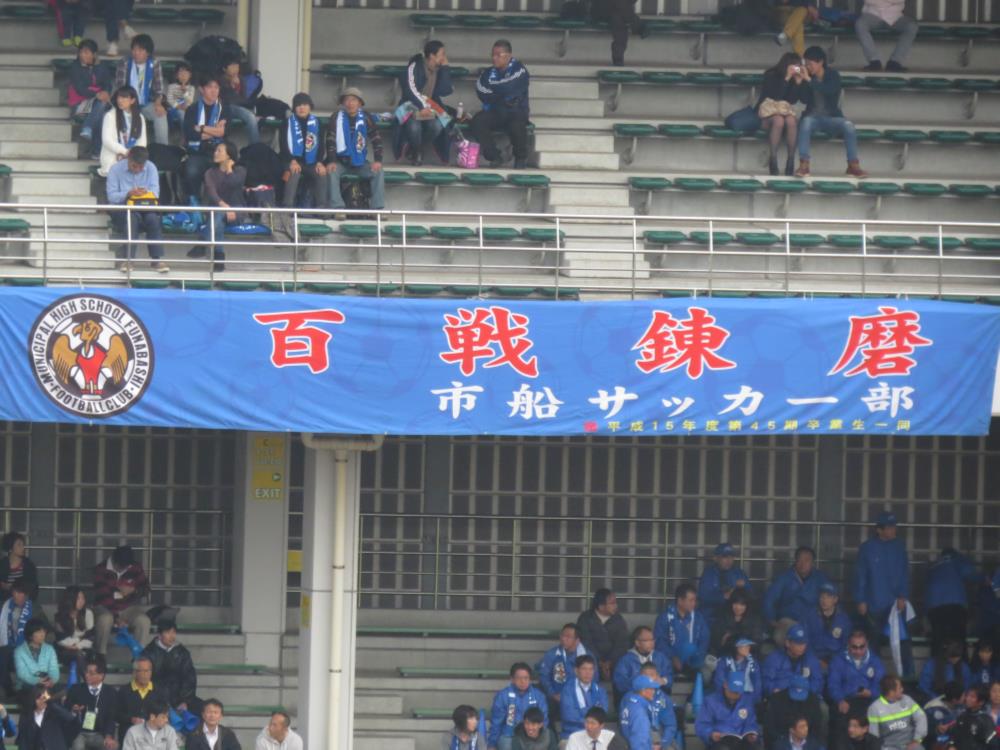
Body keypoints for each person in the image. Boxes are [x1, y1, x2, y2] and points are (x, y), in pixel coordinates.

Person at [795, 46, 868, 179]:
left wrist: (810, 81)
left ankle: (853, 165)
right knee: (805, 122)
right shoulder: (808, 77)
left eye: (811, 64)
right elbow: (803, 99)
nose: (808, 67)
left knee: (849, 126)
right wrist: (800, 83)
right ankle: (804, 164)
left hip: (831, 117)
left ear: (821, 62)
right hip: (813, 117)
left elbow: (829, 90)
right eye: (807, 64)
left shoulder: (833, 75)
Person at [854, 512, 911, 674]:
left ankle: (907, 678)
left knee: (903, 641)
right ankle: (874, 676)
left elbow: (904, 573)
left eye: (894, 527)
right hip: (873, 603)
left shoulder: (899, 546)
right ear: (879, 530)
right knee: (873, 641)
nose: (893, 530)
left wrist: (903, 596)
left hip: (894, 604)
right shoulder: (867, 548)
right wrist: (860, 600)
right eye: (889, 527)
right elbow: (860, 575)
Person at [106, 146, 167, 272]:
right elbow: (112, 197)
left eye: (141, 167)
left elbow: (155, 193)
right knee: (132, 218)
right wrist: (128, 194)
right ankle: (128, 260)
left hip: (146, 206)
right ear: (128, 159)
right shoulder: (115, 169)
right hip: (123, 208)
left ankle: (156, 260)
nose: (137, 170)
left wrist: (141, 194)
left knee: (153, 218)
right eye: (134, 166)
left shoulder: (151, 168)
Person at [471, 39, 530, 169]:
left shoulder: (519, 70)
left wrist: (494, 91)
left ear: (508, 56)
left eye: (498, 55)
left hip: (515, 111)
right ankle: (494, 156)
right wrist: (502, 95)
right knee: (478, 121)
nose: (494, 58)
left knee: (517, 126)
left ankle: (520, 158)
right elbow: (481, 90)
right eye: (493, 55)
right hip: (496, 111)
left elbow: (512, 88)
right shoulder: (488, 73)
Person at [395, 40, 454, 166]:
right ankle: (417, 153)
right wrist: (421, 107)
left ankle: (417, 149)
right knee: (414, 127)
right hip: (410, 105)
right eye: (442, 54)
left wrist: (445, 69)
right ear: (432, 56)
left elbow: (445, 91)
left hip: (430, 106)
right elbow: (410, 90)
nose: (444, 57)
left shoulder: (439, 69)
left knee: (437, 126)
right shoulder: (415, 66)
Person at [190, 140, 246, 272]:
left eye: (219, 151)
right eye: (215, 150)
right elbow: (212, 193)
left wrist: (229, 170)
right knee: (218, 219)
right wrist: (225, 207)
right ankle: (219, 258)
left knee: (217, 215)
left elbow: (235, 183)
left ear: (229, 155)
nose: (215, 153)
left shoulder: (240, 170)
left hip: (236, 211)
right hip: (216, 211)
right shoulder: (210, 172)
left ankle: (203, 243)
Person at [325, 88, 385, 212]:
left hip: (360, 162)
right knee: (331, 171)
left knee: (378, 171)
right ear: (343, 103)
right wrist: (331, 161)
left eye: (353, 100)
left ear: (359, 103)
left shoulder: (366, 117)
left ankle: (377, 209)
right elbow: (330, 139)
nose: (350, 103)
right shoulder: (336, 117)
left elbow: (376, 138)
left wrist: (378, 160)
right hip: (341, 161)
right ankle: (337, 208)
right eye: (347, 100)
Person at [828, 631, 886, 750]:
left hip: (869, 700)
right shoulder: (838, 660)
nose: (858, 651)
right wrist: (840, 700)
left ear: (867, 644)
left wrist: (871, 692)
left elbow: (881, 685)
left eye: (861, 647)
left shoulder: (875, 661)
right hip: (847, 701)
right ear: (848, 645)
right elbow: (833, 685)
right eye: (854, 647)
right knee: (839, 722)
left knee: (877, 718)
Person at [764, 547, 831, 646]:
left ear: (812, 563)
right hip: (788, 621)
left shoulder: (820, 578)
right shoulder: (784, 577)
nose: (802, 564)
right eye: (799, 560)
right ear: (795, 561)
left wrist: (829, 617)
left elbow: (831, 598)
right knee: (785, 639)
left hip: (813, 620)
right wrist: (772, 621)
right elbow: (769, 600)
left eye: (807, 560)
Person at [755, 53, 808, 176]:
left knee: (791, 121)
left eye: (798, 66)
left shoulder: (795, 79)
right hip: (767, 114)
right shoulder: (771, 75)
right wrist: (786, 78)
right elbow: (775, 97)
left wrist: (798, 84)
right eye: (794, 66)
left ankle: (790, 160)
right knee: (779, 120)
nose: (796, 69)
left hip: (784, 113)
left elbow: (793, 100)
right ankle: (773, 159)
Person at [94, 545, 150, 657]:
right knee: (105, 619)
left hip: (127, 607)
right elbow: (104, 598)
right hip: (105, 607)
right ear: (114, 561)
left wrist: (133, 590)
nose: (124, 568)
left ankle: (138, 658)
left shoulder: (135, 567)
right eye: (121, 566)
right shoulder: (101, 570)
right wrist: (117, 618)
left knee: (144, 621)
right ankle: (100, 656)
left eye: (126, 566)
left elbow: (146, 589)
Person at [926, 550, 984, 658]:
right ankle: (960, 665)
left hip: (935, 608)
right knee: (958, 639)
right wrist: (986, 579)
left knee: (938, 641)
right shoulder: (957, 561)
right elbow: (972, 574)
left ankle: (937, 666)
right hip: (955, 606)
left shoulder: (934, 566)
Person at [113, 34, 167, 145]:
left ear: (148, 52)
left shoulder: (154, 63)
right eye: (134, 49)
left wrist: (158, 104)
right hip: (128, 102)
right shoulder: (125, 62)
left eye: (140, 50)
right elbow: (120, 88)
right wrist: (128, 104)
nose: (136, 53)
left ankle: (162, 148)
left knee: (160, 114)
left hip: (147, 103)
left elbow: (159, 89)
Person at [182, 77, 229, 200]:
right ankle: (194, 203)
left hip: (217, 151)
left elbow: (223, 133)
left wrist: (202, 128)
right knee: (191, 171)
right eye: (210, 87)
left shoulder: (223, 109)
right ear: (202, 89)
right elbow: (190, 134)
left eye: (216, 87)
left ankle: (218, 204)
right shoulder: (192, 109)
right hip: (196, 152)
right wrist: (214, 131)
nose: (214, 91)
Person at [141, 619, 199, 715]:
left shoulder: (182, 652)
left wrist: (185, 700)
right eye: (168, 632)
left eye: (174, 632)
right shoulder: (149, 652)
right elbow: (143, 678)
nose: (172, 636)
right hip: (154, 699)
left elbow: (189, 677)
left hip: (178, 698)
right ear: (159, 635)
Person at [280, 93, 328, 209]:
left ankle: (322, 208)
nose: (302, 107)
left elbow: (321, 146)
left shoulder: (317, 122)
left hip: (311, 162)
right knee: (294, 172)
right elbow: (283, 145)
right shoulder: (287, 122)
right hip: (290, 160)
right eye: (298, 105)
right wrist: (292, 161)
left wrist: (319, 162)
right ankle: (287, 207)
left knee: (321, 173)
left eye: (305, 104)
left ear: (310, 106)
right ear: (294, 108)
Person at [67, 40, 113, 160]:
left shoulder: (101, 67)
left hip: (97, 104)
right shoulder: (75, 67)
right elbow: (80, 89)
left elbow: (107, 84)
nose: (83, 55)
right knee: (101, 110)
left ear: (94, 54)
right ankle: (96, 151)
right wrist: (96, 94)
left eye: (86, 52)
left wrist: (105, 93)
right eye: (81, 52)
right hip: (80, 104)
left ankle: (87, 127)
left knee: (102, 110)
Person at [654, 583, 710, 677]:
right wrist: (672, 657)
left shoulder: (698, 617)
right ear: (680, 601)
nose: (694, 604)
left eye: (695, 600)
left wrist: (698, 655)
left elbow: (704, 639)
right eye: (691, 600)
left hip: (693, 661)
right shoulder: (665, 617)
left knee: (706, 674)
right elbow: (660, 641)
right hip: (670, 661)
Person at [695, 672, 762, 750]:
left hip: (742, 742)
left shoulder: (747, 701)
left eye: (738, 692)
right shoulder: (710, 701)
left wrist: (751, 733)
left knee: (756, 747)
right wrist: (711, 734)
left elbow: (751, 723)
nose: (735, 694)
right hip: (720, 742)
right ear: (725, 685)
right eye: (733, 691)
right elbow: (702, 725)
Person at [64, 654, 119, 750]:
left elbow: (111, 717)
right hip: (79, 733)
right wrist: (73, 709)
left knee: (112, 747)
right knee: (78, 747)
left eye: (91, 673)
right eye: (86, 672)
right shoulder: (75, 689)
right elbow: (66, 707)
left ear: (101, 675)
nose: (87, 675)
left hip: (100, 733)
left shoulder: (110, 692)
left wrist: (108, 736)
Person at [489, 663, 548, 750]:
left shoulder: (538, 696)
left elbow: (544, 720)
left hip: (532, 736)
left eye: (526, 678)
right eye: (519, 678)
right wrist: (492, 744)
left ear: (530, 679)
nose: (523, 681)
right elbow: (496, 723)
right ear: (512, 679)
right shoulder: (502, 696)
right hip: (509, 735)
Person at [577, 589, 629, 682]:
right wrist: (600, 663)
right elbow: (586, 642)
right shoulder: (585, 618)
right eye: (612, 603)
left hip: (613, 663)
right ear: (601, 606)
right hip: (591, 660)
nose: (616, 606)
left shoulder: (619, 620)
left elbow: (621, 645)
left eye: (615, 602)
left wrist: (609, 662)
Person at [854, 0, 918, 72]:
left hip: (895, 16)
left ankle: (895, 62)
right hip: (873, 14)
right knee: (860, 24)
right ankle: (874, 61)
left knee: (911, 26)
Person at [762, 624, 824, 698]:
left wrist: (806, 692)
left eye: (804, 643)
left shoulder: (810, 659)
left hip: (805, 697)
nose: (802, 647)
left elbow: (818, 681)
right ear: (787, 643)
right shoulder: (774, 658)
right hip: (781, 697)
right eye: (798, 643)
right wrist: (774, 690)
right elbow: (766, 681)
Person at [699, 543, 753, 627]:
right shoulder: (709, 573)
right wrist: (723, 596)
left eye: (731, 557)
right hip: (711, 617)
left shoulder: (739, 573)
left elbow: (751, 596)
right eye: (725, 557)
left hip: (732, 618)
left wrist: (742, 590)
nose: (729, 560)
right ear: (716, 558)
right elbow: (703, 596)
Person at [613, 626, 672, 702]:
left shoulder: (660, 658)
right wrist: (640, 683)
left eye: (652, 639)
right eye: (647, 640)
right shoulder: (626, 660)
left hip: (657, 699)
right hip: (634, 700)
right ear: (637, 643)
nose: (652, 643)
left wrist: (663, 680)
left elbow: (669, 676)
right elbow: (620, 683)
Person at [538, 623, 591, 708]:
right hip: (557, 698)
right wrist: (553, 694)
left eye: (568, 637)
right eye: (562, 635)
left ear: (577, 640)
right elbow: (544, 676)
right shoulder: (552, 654)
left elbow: (593, 679)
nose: (563, 639)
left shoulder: (587, 656)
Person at [868, 675, 927, 750]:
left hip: (911, 744)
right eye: (899, 688)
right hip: (888, 747)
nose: (902, 689)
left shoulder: (907, 700)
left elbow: (921, 718)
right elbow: (874, 736)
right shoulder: (874, 708)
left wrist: (916, 740)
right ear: (891, 692)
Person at [765, 675, 826, 748]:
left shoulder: (813, 701)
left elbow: (817, 728)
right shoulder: (777, 700)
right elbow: (771, 727)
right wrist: (782, 742)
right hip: (782, 741)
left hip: (807, 742)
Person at [99, 86, 146, 178]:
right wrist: (125, 152)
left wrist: (133, 155)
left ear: (132, 100)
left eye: (124, 97)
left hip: (133, 158)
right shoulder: (110, 116)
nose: (120, 100)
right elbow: (107, 140)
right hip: (113, 157)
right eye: (119, 97)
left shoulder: (140, 117)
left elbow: (142, 142)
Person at [803, 583, 854, 668]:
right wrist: (816, 660)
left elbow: (846, 645)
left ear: (835, 599)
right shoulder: (810, 616)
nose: (824, 600)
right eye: (822, 597)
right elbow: (805, 641)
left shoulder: (844, 620)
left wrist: (835, 661)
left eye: (828, 597)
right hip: (814, 658)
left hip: (836, 659)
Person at [116, 657, 164, 744]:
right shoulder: (124, 691)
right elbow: (116, 714)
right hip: (129, 737)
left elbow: (164, 715)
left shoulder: (159, 691)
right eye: (141, 671)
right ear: (135, 673)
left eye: (147, 671)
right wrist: (131, 719)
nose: (145, 674)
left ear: (151, 672)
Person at [560, 655, 609, 739]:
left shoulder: (600, 690)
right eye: (584, 669)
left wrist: (581, 711)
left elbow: (602, 714)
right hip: (572, 734)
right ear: (576, 671)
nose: (588, 673)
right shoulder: (567, 690)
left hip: (595, 735)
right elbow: (569, 715)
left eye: (591, 669)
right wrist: (592, 717)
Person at [17, 685, 78, 750]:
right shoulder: (26, 715)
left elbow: (71, 719)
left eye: (44, 698)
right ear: (33, 699)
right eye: (38, 698)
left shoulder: (54, 713)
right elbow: (23, 739)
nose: (42, 701)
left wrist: (50, 702)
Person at [0, 581, 34, 693]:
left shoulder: (33, 608)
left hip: (27, 645)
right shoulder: (6, 606)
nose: (18, 596)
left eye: (21, 593)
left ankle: (24, 690)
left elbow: (43, 628)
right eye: (16, 592)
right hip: (9, 644)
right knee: (2, 655)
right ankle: (9, 690)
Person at [590, 0, 646, 66]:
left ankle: (618, 60)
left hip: (617, 12)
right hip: (601, 9)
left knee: (618, 18)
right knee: (619, 10)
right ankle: (638, 26)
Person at [219, 55, 260, 145]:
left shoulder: (241, 79)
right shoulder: (221, 80)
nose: (235, 69)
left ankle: (255, 146)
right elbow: (228, 99)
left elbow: (244, 98)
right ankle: (256, 147)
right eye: (232, 66)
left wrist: (238, 86)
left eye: (237, 66)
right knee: (250, 117)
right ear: (224, 69)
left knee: (254, 115)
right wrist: (233, 86)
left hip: (240, 107)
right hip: (227, 108)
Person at [712, 589, 766, 657]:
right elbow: (715, 642)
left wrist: (743, 645)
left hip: (748, 655)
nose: (738, 607)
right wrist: (722, 641)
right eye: (735, 603)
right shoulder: (723, 617)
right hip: (726, 655)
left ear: (747, 606)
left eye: (742, 604)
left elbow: (757, 642)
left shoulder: (754, 620)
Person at [638, 663, 679, 750]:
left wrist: (661, 744)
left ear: (658, 677)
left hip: (659, 738)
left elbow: (670, 725)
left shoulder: (662, 699)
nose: (649, 678)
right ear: (639, 677)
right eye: (645, 675)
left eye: (652, 675)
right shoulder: (631, 698)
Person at [54, 585, 95, 672]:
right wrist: (79, 639)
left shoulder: (88, 613)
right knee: (77, 656)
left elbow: (90, 637)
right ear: (70, 599)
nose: (81, 601)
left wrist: (78, 646)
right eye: (78, 598)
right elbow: (61, 640)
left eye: (83, 598)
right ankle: (87, 679)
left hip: (84, 649)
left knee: (80, 655)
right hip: (65, 650)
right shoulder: (60, 616)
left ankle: (86, 679)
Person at [14, 618, 60, 691]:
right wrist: (37, 680)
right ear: (30, 635)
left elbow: (54, 669)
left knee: (63, 690)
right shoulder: (19, 651)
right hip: (26, 685)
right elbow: (22, 673)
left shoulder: (49, 649)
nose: (42, 634)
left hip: (46, 682)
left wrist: (52, 680)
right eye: (39, 632)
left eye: (44, 631)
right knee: (35, 689)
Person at [713, 639, 763, 704]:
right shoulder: (724, 661)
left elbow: (757, 681)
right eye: (745, 646)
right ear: (736, 647)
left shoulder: (753, 662)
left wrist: (754, 699)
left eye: (749, 646)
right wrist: (725, 697)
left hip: (747, 698)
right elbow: (719, 680)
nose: (748, 648)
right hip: (727, 697)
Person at [619, 675, 659, 750]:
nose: (654, 691)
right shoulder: (640, 712)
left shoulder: (630, 704)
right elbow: (639, 741)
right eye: (651, 689)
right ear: (643, 691)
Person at [925, 682, 966, 750]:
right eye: (963, 695)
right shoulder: (933, 710)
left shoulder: (960, 705)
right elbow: (936, 737)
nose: (965, 697)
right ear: (954, 700)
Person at [0, 533, 38, 602]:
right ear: (10, 548)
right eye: (19, 545)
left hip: (24, 601)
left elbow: (33, 587)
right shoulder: (2, 565)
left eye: (23, 545)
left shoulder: (28, 565)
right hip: (4, 601)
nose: (23, 548)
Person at [165, 62, 196, 129]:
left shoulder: (191, 88)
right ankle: (171, 128)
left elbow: (190, 101)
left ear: (190, 75)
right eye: (181, 73)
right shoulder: (171, 86)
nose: (183, 75)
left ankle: (184, 131)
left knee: (185, 113)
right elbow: (169, 99)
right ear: (176, 75)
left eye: (186, 73)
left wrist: (185, 92)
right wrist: (178, 106)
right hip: (173, 108)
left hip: (185, 108)